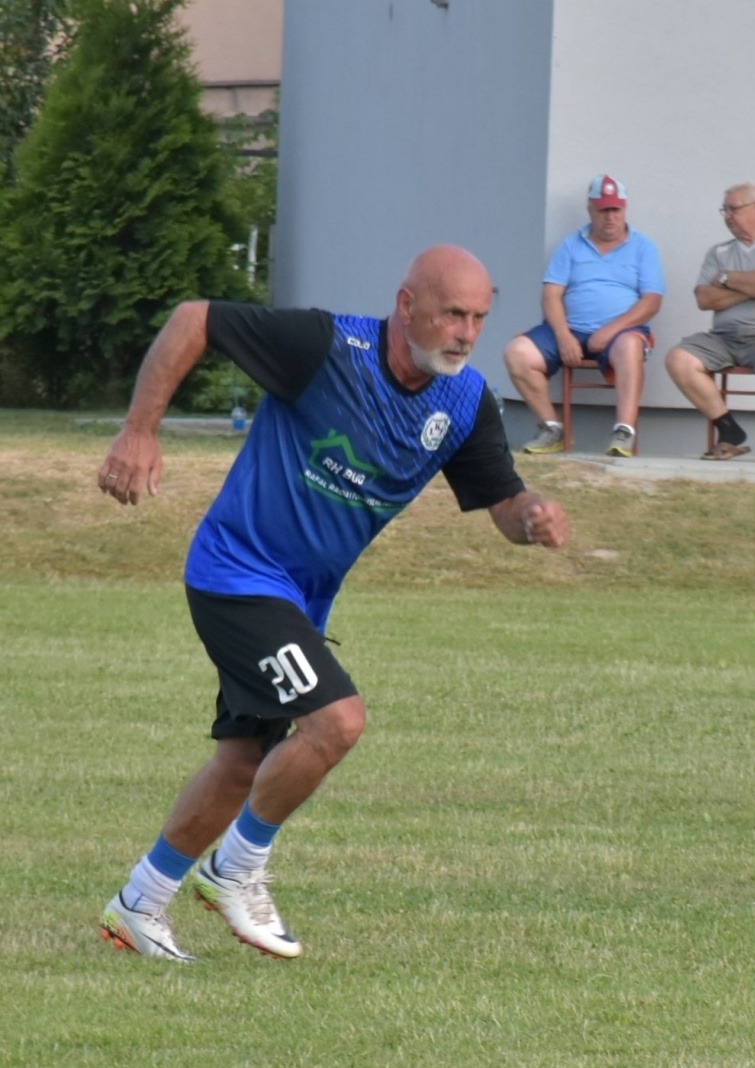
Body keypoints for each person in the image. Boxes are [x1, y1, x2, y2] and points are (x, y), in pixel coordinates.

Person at [95, 245, 569, 961]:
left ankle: (139, 904)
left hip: (298, 603)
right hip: (237, 573)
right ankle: (235, 870)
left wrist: (529, 516)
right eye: (452, 314)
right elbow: (195, 319)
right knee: (337, 722)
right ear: (406, 304)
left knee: (243, 764)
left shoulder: (464, 403)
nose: (466, 333)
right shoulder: (323, 347)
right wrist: (139, 429)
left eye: (478, 318)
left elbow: (500, 499)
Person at [503, 175, 664, 458]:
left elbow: (651, 301)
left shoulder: (643, 247)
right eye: (603, 210)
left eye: (615, 209)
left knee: (630, 347)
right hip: (570, 329)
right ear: (590, 210)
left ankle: (624, 431)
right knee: (517, 353)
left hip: (621, 332)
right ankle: (551, 428)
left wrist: (610, 330)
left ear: (624, 208)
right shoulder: (571, 245)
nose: (610, 217)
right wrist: (563, 336)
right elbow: (550, 295)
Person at [664, 181, 755, 463]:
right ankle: (729, 431)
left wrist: (726, 279)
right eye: (724, 210)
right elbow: (704, 299)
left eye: (734, 209)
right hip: (724, 337)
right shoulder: (718, 253)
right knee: (678, 359)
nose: (727, 216)